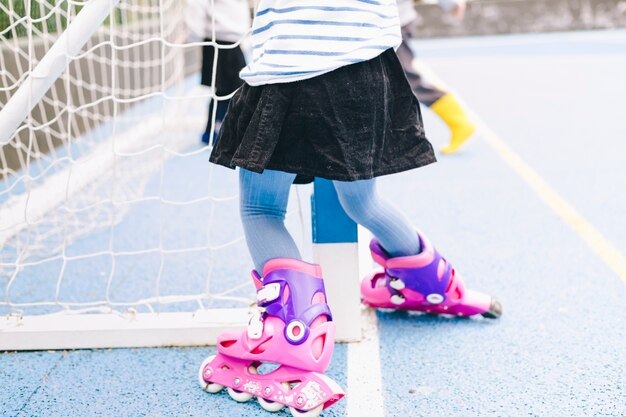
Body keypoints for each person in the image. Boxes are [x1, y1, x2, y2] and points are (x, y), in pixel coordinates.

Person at [198, 2, 502, 415]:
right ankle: (433, 282)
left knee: (262, 210)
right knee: (362, 199)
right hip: (368, 76)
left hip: (290, 72)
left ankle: (295, 333)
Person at [396, 0, 477, 154]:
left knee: (405, 79)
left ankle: (459, 122)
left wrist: (449, 2)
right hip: (374, 24)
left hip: (392, 23)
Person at [185, 0, 250, 144]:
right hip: (219, 39)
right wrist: (194, 35)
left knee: (233, 87)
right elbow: (197, 5)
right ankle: (214, 130)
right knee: (229, 88)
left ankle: (216, 129)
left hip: (234, 39)